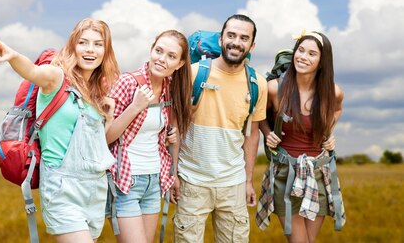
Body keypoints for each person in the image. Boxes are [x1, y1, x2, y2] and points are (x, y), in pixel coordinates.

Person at [0, 18, 120, 243]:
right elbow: (32, 71)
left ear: (105, 51)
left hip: (95, 189)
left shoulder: (96, 92)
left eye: (98, 44)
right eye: (83, 43)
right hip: (63, 189)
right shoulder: (56, 78)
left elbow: (96, 145)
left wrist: (107, 117)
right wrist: (12, 56)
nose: (90, 49)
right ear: (72, 47)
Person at [174, 14, 267, 243]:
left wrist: (247, 181)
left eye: (244, 38)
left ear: (252, 45)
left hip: (233, 184)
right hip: (191, 181)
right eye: (231, 35)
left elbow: (252, 135)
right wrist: (172, 173)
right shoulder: (194, 73)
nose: (236, 42)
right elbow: (175, 125)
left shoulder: (257, 84)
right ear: (221, 38)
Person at [256, 31, 344, 243]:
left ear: (322, 61)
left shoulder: (332, 92)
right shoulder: (275, 88)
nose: (303, 57)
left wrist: (329, 132)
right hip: (286, 174)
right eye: (300, 50)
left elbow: (337, 109)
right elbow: (258, 116)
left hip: (319, 173)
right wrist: (268, 133)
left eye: (312, 53)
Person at [105, 30, 192, 243]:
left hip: (154, 179)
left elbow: (169, 134)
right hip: (125, 181)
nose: (162, 59)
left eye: (171, 56)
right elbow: (106, 137)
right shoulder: (128, 82)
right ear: (151, 50)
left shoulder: (170, 90)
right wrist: (135, 107)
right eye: (159, 51)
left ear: (179, 64)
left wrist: (173, 175)